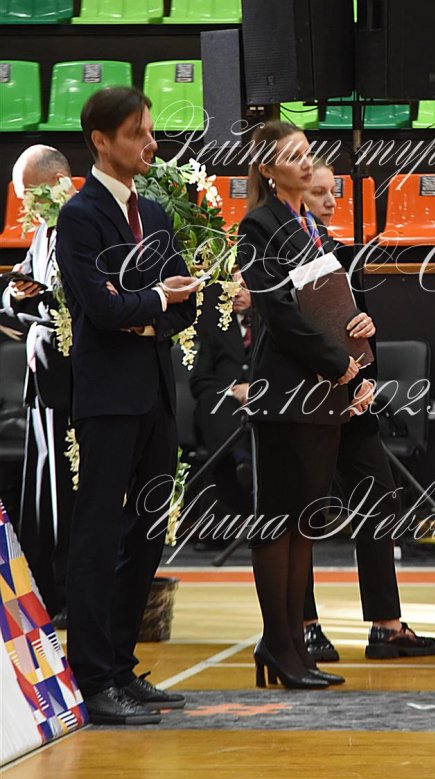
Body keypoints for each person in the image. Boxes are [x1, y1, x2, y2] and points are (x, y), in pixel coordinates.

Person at [55, 86, 200, 724]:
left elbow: (187, 305)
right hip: (108, 398)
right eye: (137, 132)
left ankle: (120, 666)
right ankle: (92, 678)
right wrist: (154, 302)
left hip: (155, 392)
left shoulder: (158, 215)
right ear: (101, 141)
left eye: (150, 131)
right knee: (96, 536)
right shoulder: (80, 215)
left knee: (144, 536)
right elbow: (101, 307)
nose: (151, 143)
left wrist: (144, 308)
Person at [237, 120, 378, 690]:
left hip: (323, 391)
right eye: (291, 155)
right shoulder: (258, 224)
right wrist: (335, 361)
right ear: (267, 169)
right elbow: (280, 315)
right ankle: (278, 643)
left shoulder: (312, 226)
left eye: (306, 152)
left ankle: (293, 644)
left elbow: (332, 304)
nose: (303, 161)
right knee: (277, 523)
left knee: (304, 523)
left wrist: (359, 337)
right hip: (284, 391)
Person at [301, 157, 435, 662]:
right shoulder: (275, 253)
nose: (330, 201)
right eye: (319, 193)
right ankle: (304, 626)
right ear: (295, 194)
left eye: (333, 192)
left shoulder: (341, 252)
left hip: (351, 399)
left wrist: (366, 373)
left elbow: (359, 325)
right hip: (301, 401)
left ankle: (386, 625)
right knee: (303, 512)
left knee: (378, 500)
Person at [1, 146, 76, 622]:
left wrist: (35, 301)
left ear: (59, 181)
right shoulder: (43, 231)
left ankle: (68, 595)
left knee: (66, 497)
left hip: (75, 383)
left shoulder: (83, 226)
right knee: (41, 498)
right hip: (43, 381)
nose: (24, 203)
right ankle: (47, 592)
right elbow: (19, 298)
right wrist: (16, 294)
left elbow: (79, 303)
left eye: (29, 192)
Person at [189, 272, 254, 546]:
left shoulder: (273, 327)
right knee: (214, 404)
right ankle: (241, 460)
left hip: (263, 407)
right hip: (220, 411)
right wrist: (232, 391)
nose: (236, 293)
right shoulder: (216, 328)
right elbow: (199, 381)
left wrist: (255, 390)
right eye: (232, 287)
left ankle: (241, 461)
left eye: (244, 287)